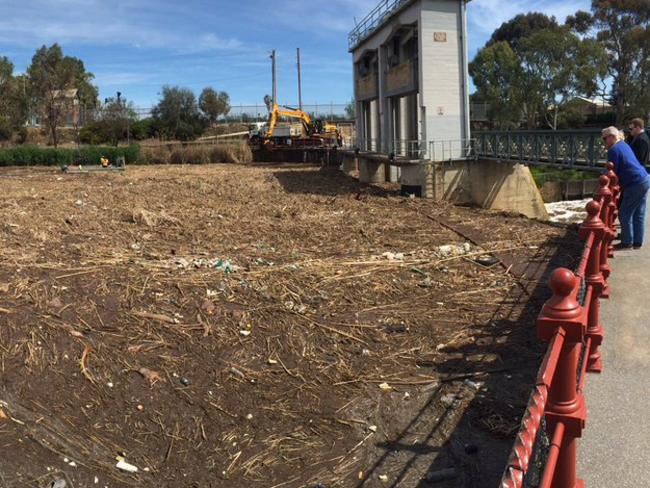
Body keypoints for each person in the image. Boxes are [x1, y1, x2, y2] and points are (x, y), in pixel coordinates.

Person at [602, 126, 650, 249]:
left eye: (605, 139)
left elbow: (612, 170)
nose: (604, 142)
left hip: (634, 183)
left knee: (624, 213)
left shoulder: (613, 149)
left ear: (612, 137)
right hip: (644, 178)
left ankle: (627, 241)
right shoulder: (623, 144)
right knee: (639, 213)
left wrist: (602, 175)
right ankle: (637, 241)